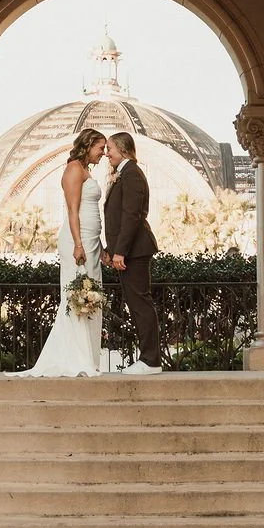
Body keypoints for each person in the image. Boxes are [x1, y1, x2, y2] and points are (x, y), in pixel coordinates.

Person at [20, 128, 108, 377]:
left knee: (91, 296)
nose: (102, 153)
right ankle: (75, 357)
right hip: (76, 241)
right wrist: (78, 244)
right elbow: (72, 210)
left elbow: (92, 214)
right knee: (77, 296)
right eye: (100, 148)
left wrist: (98, 246)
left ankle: (88, 357)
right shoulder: (73, 169)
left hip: (90, 241)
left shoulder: (87, 171)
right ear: (88, 145)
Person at [100, 131, 162, 373]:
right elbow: (119, 220)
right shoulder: (125, 174)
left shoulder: (132, 174)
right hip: (129, 251)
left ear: (123, 150)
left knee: (140, 304)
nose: (107, 153)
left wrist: (120, 252)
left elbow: (132, 217)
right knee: (136, 304)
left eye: (110, 149)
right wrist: (111, 250)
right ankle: (148, 359)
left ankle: (150, 360)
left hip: (135, 251)